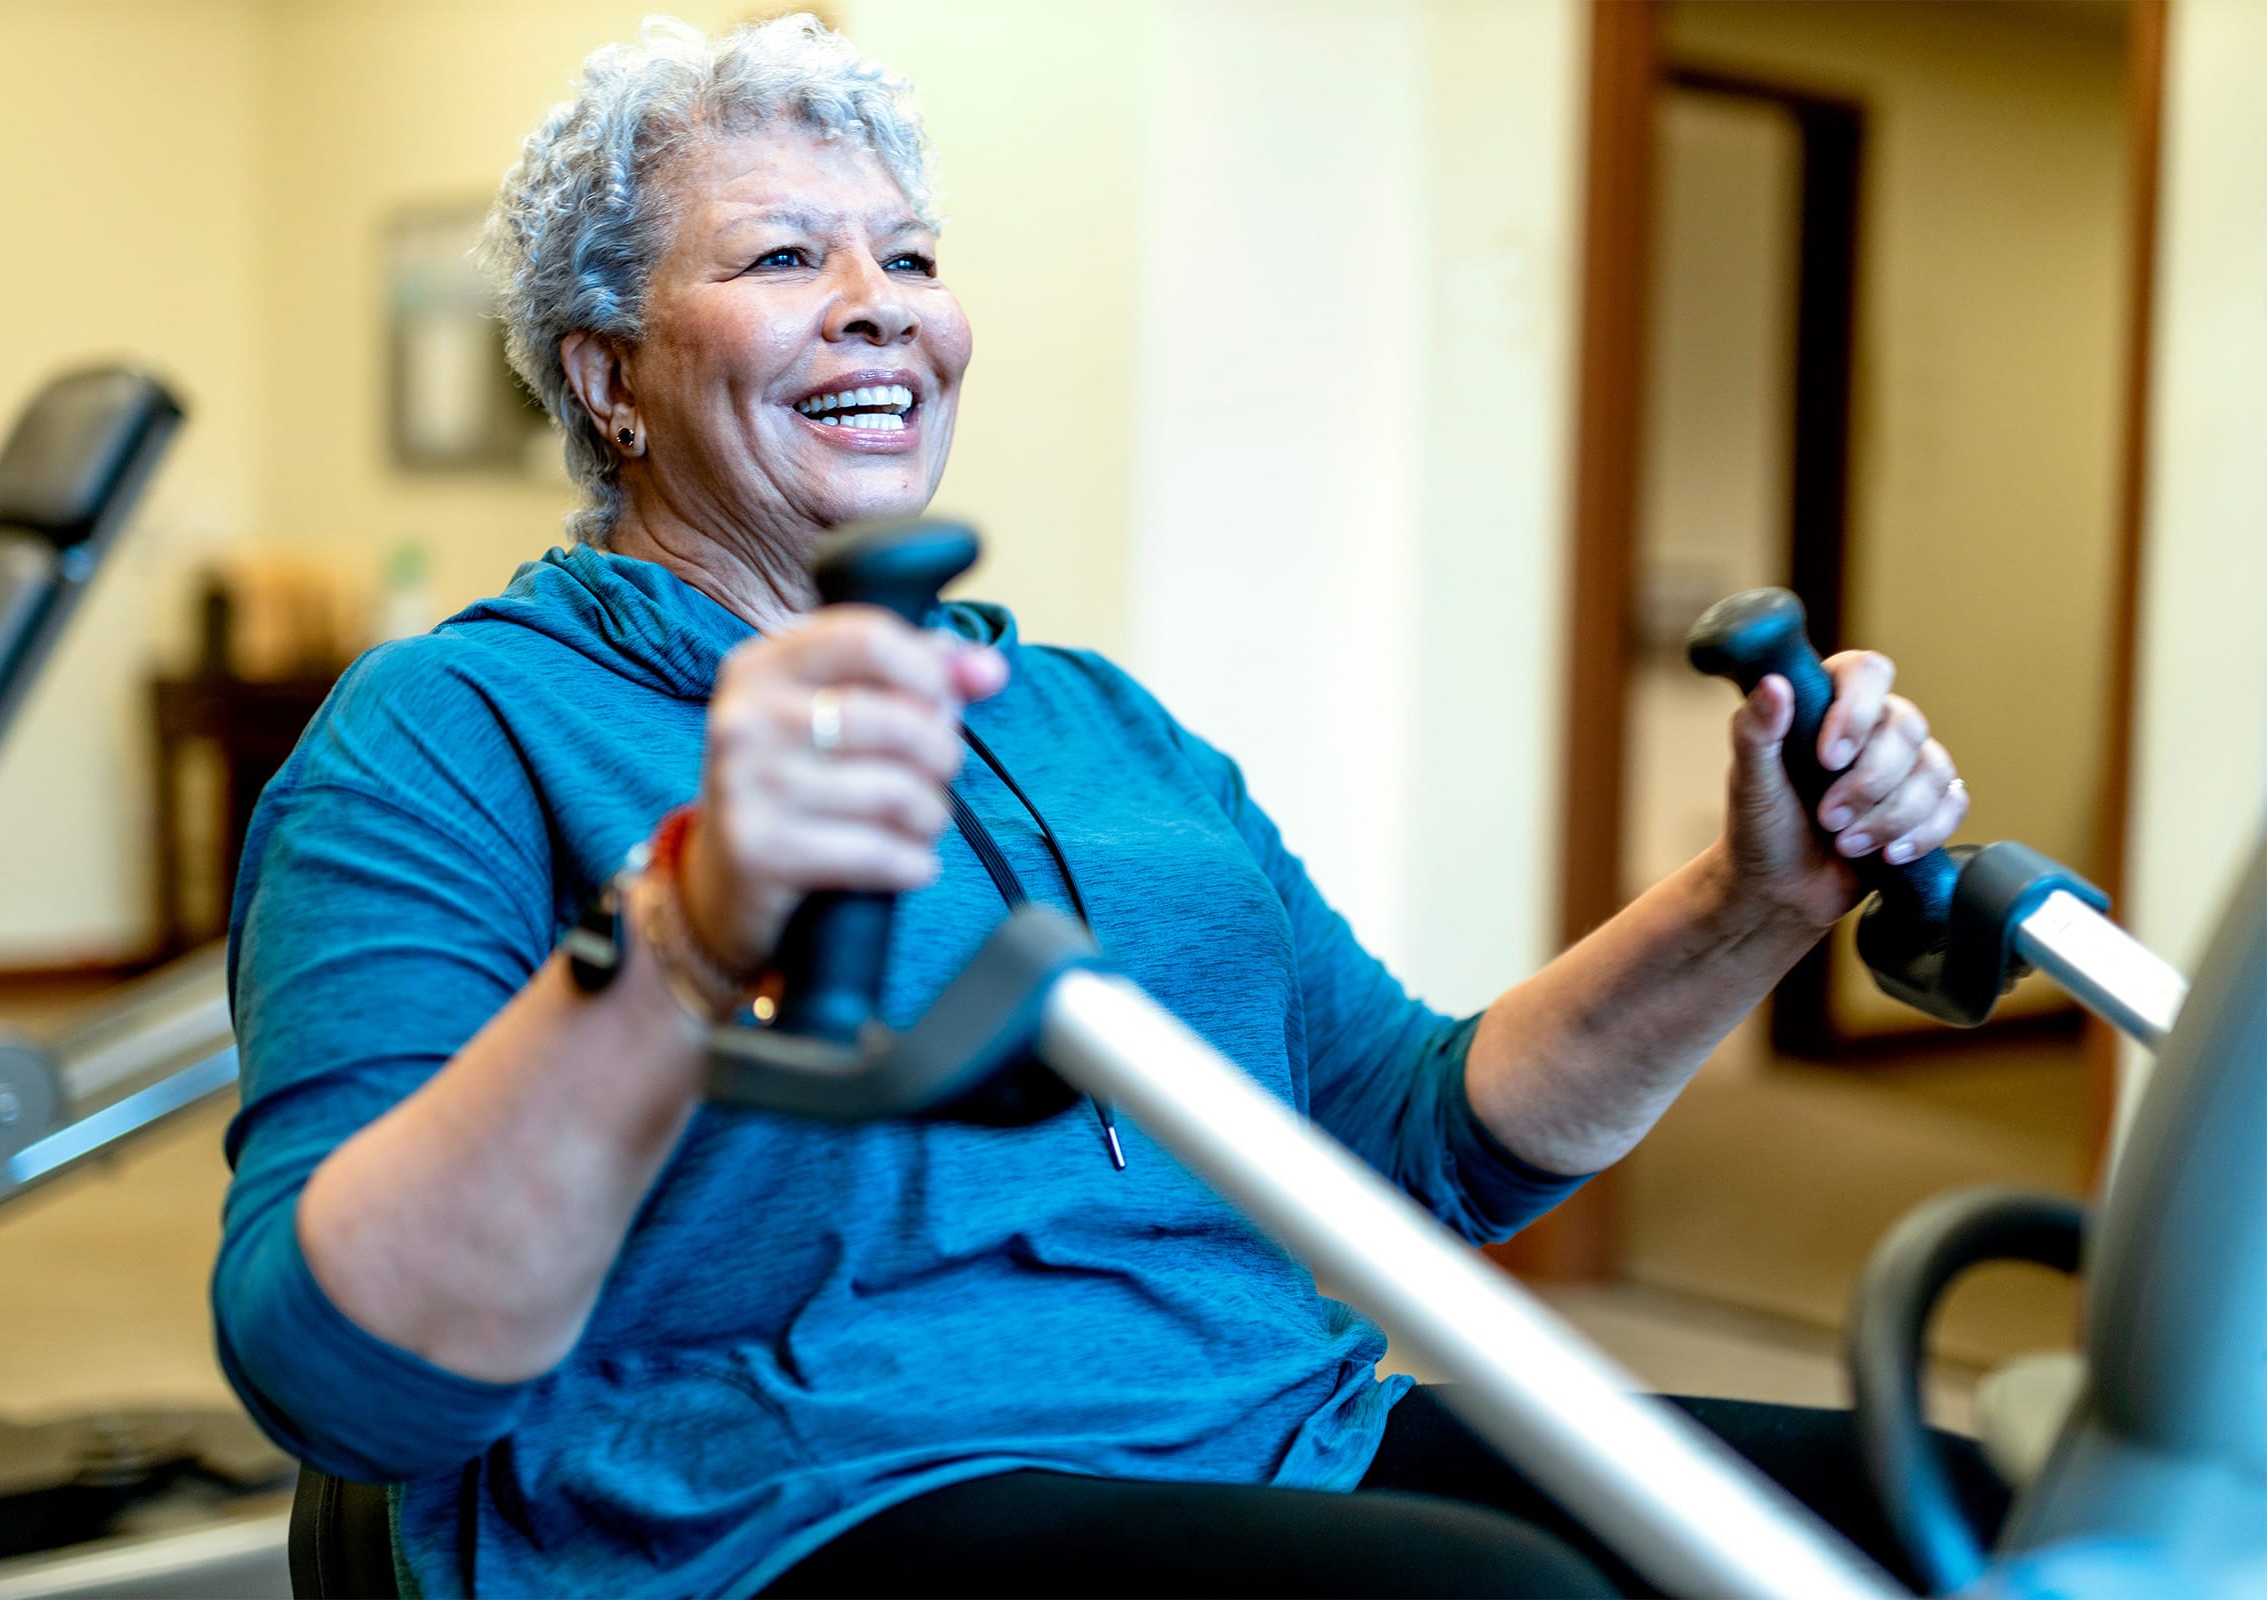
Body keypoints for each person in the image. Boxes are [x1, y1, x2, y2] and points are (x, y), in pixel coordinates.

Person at [213, 16, 1987, 1597]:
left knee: (1970, 1503)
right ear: (608, 376)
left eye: (908, 253)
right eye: (781, 254)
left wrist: (1754, 900)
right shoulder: (448, 727)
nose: (879, 299)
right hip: (781, 1504)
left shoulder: (1088, 720)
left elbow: (1415, 1141)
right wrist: (687, 932)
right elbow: (337, 1372)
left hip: (1271, 1435)